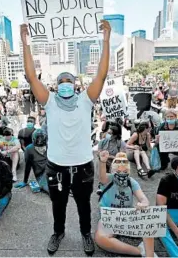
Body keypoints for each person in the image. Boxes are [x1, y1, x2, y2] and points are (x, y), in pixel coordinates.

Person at [20, 19, 111, 255]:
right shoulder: (49, 102)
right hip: (57, 166)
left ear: (76, 84)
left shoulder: (85, 100)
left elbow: (101, 75)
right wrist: (25, 41)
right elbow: (31, 76)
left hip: (82, 166)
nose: (64, 84)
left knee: (83, 206)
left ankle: (85, 234)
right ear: (55, 85)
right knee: (57, 205)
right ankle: (58, 232)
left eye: (68, 80)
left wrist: (106, 39)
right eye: (61, 81)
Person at [95, 152, 155, 257]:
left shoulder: (132, 182)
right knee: (100, 238)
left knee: (149, 221)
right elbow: (101, 177)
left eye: (125, 171)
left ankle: (149, 255)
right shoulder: (108, 179)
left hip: (128, 216)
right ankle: (139, 251)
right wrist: (102, 162)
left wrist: (143, 204)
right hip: (110, 216)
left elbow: (143, 198)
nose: (122, 174)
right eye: (118, 171)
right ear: (112, 171)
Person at [15, 129, 48, 193]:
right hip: (41, 175)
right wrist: (25, 181)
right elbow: (28, 165)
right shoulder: (29, 149)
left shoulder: (49, 146)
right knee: (53, 191)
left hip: (51, 171)